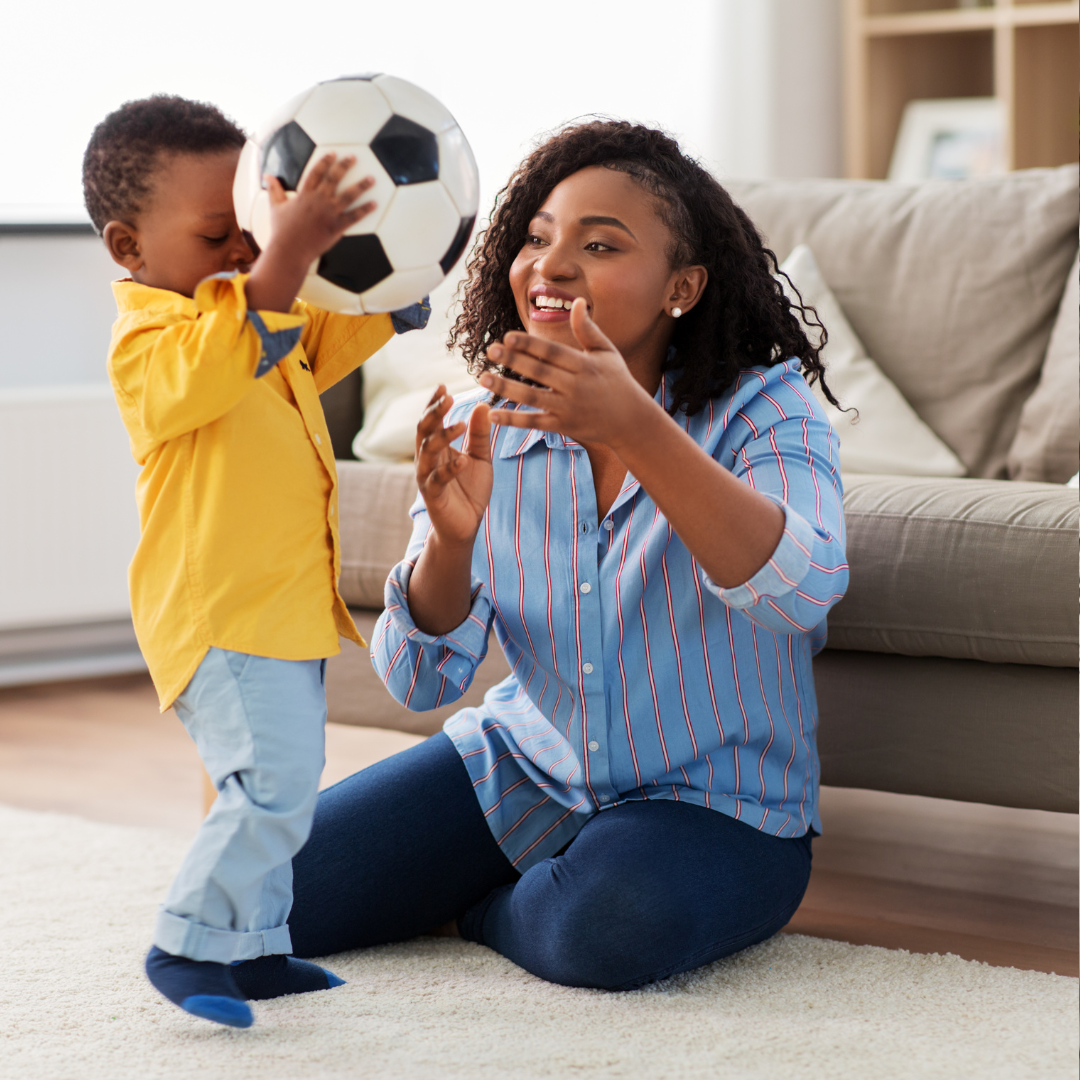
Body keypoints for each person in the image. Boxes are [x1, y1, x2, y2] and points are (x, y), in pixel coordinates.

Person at [286, 120, 848, 991]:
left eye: (600, 243)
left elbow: (799, 594)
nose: (550, 264)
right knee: (274, 897)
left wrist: (633, 425)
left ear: (683, 287)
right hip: (523, 763)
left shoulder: (765, 412)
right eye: (537, 239)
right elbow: (418, 682)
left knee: (607, 928)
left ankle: (487, 908)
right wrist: (451, 541)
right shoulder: (489, 420)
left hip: (718, 807)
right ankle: (538, 873)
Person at [83, 95, 428, 1027]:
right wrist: (287, 249)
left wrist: (395, 274)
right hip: (220, 609)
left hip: (280, 607)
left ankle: (258, 951)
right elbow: (233, 346)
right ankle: (187, 941)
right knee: (268, 788)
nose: (243, 252)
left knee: (283, 791)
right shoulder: (151, 344)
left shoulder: (255, 318)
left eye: (251, 229)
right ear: (129, 249)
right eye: (215, 237)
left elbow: (317, 332)